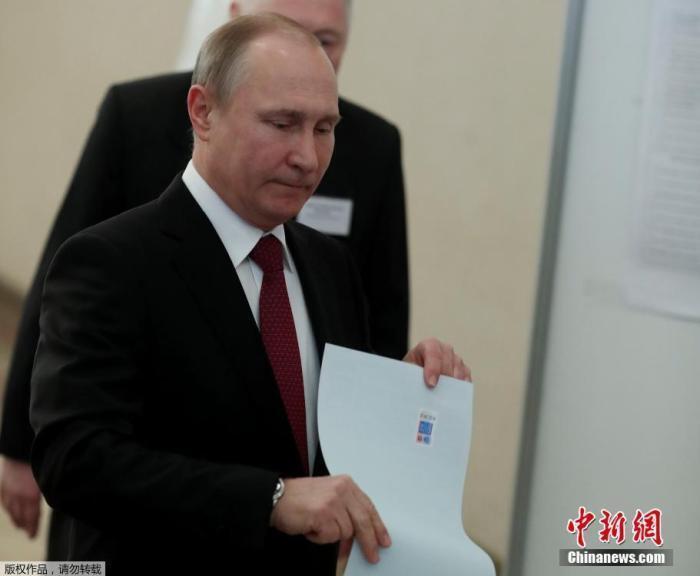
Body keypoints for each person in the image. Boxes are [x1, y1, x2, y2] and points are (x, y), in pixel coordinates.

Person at [29, 15, 467, 574]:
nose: (307, 157)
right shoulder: (111, 262)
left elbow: (322, 451)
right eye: (282, 124)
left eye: (324, 128)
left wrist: (404, 395)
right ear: (203, 112)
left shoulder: (330, 267)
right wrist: (271, 500)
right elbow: (75, 461)